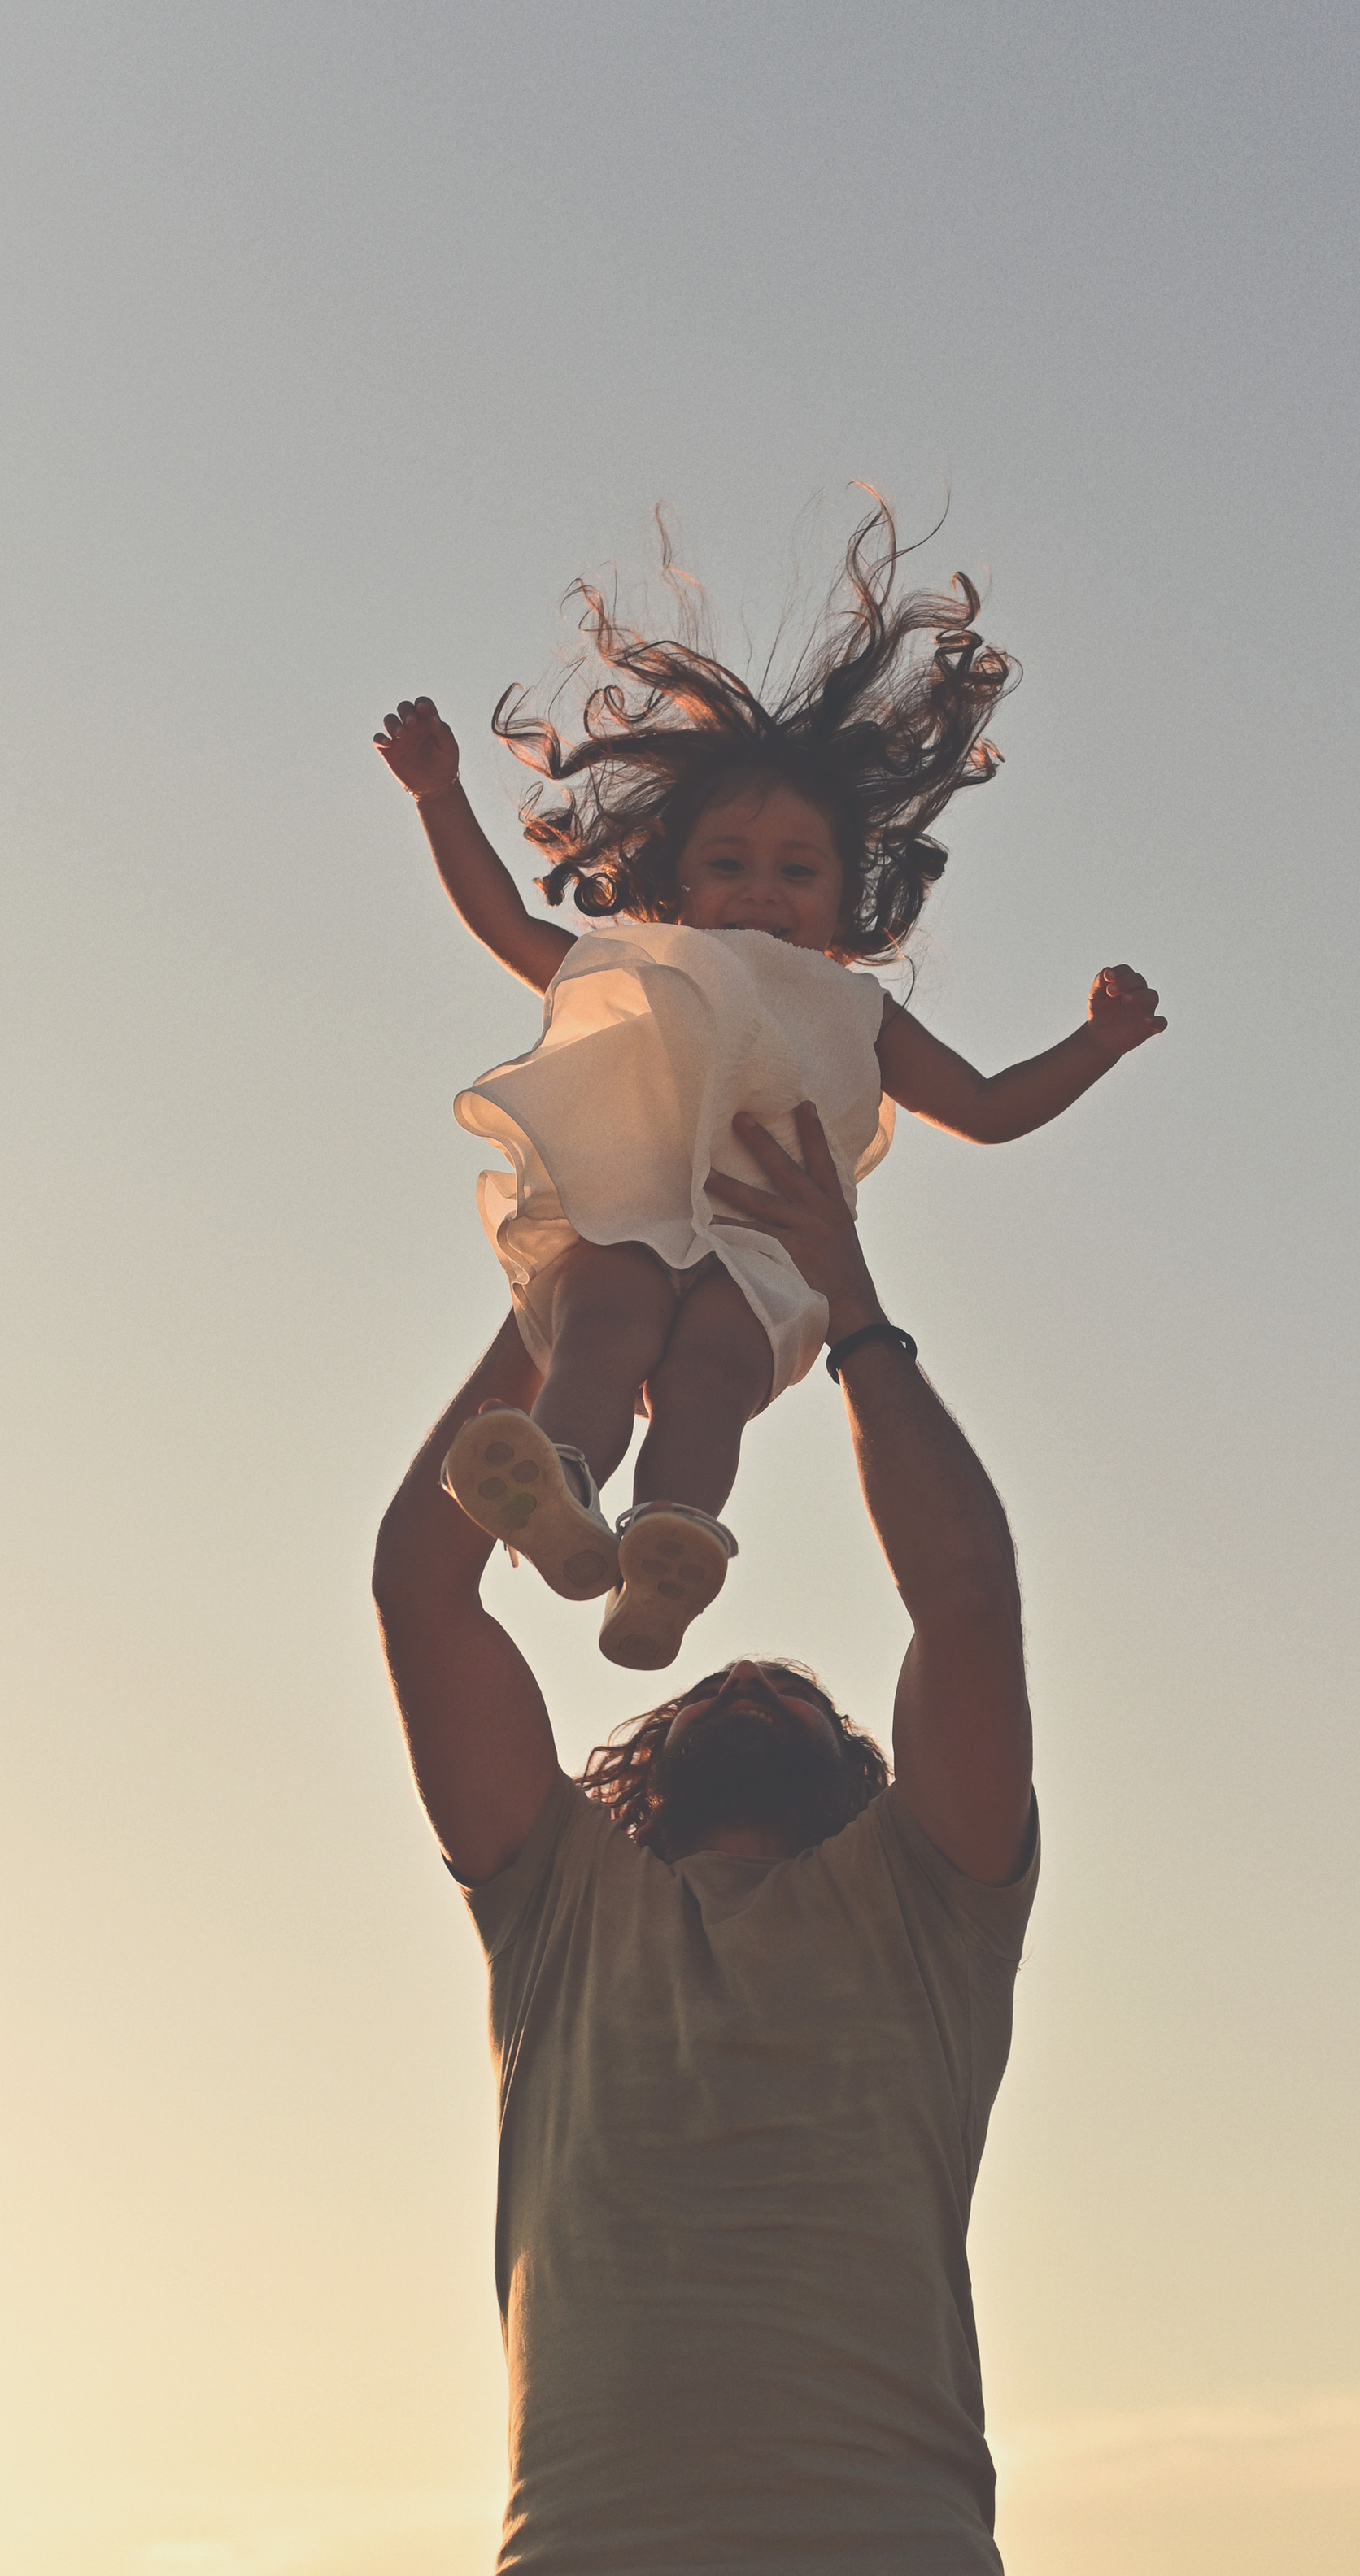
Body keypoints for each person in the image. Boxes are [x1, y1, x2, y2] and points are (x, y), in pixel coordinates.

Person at [373, 1102, 1038, 2575]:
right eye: (721, 1682)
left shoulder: (931, 1906)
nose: (744, 1674)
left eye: (785, 1690)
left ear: (867, 1777)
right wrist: (552, 1304)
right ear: (642, 1764)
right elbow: (427, 1591)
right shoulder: (557, 1908)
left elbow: (967, 1603)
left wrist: (851, 1306)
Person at [375, 498, 1163, 1667]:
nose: (759, 890)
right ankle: (561, 1495)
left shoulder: (857, 1010)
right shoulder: (645, 964)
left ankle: (668, 1548)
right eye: (728, 865)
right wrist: (439, 798)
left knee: (714, 1379)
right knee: (600, 1328)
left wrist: (1096, 1045)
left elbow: (989, 1110)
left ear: (848, 901)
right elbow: (506, 925)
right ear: (678, 887)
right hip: (626, 1212)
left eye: (796, 870)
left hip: (762, 1247)